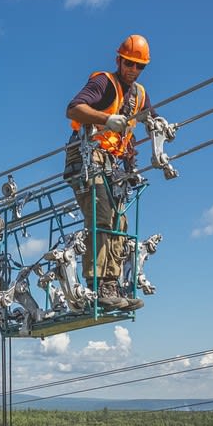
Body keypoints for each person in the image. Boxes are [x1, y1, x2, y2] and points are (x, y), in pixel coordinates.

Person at [64, 34, 154, 311]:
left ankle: (112, 285)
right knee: (101, 214)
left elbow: (150, 120)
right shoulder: (104, 82)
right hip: (87, 157)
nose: (133, 70)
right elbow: (73, 109)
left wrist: (161, 130)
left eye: (139, 66)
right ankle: (97, 285)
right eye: (129, 63)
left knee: (120, 222)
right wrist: (106, 119)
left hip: (112, 164)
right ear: (119, 60)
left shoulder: (139, 96)